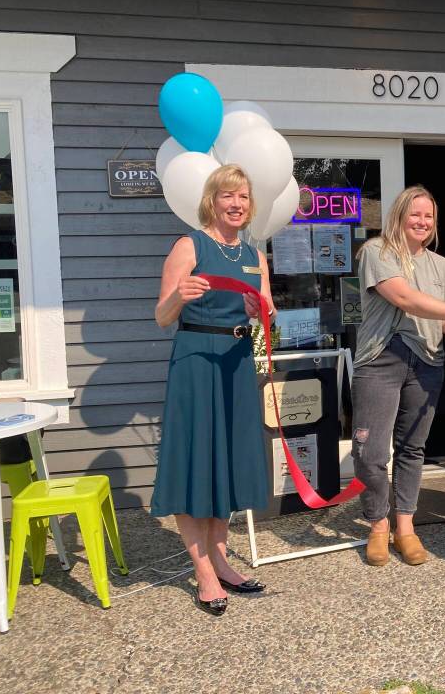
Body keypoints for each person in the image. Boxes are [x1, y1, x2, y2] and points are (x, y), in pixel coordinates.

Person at [151, 164, 274, 617]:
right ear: (212, 200)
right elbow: (163, 317)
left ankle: (221, 558)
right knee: (196, 460)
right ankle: (202, 570)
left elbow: (267, 313)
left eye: (243, 196)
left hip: (237, 361)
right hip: (196, 359)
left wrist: (260, 309)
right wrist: (179, 295)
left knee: (227, 459)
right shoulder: (189, 244)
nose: (236, 204)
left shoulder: (254, 254)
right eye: (228, 196)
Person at [351, 185, 445, 567]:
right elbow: (403, 298)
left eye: (429, 216)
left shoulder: (442, 266)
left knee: (413, 449)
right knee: (370, 452)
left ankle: (406, 527)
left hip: (428, 362)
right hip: (381, 359)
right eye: (415, 214)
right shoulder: (377, 252)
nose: (422, 222)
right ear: (399, 215)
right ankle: (378, 524)